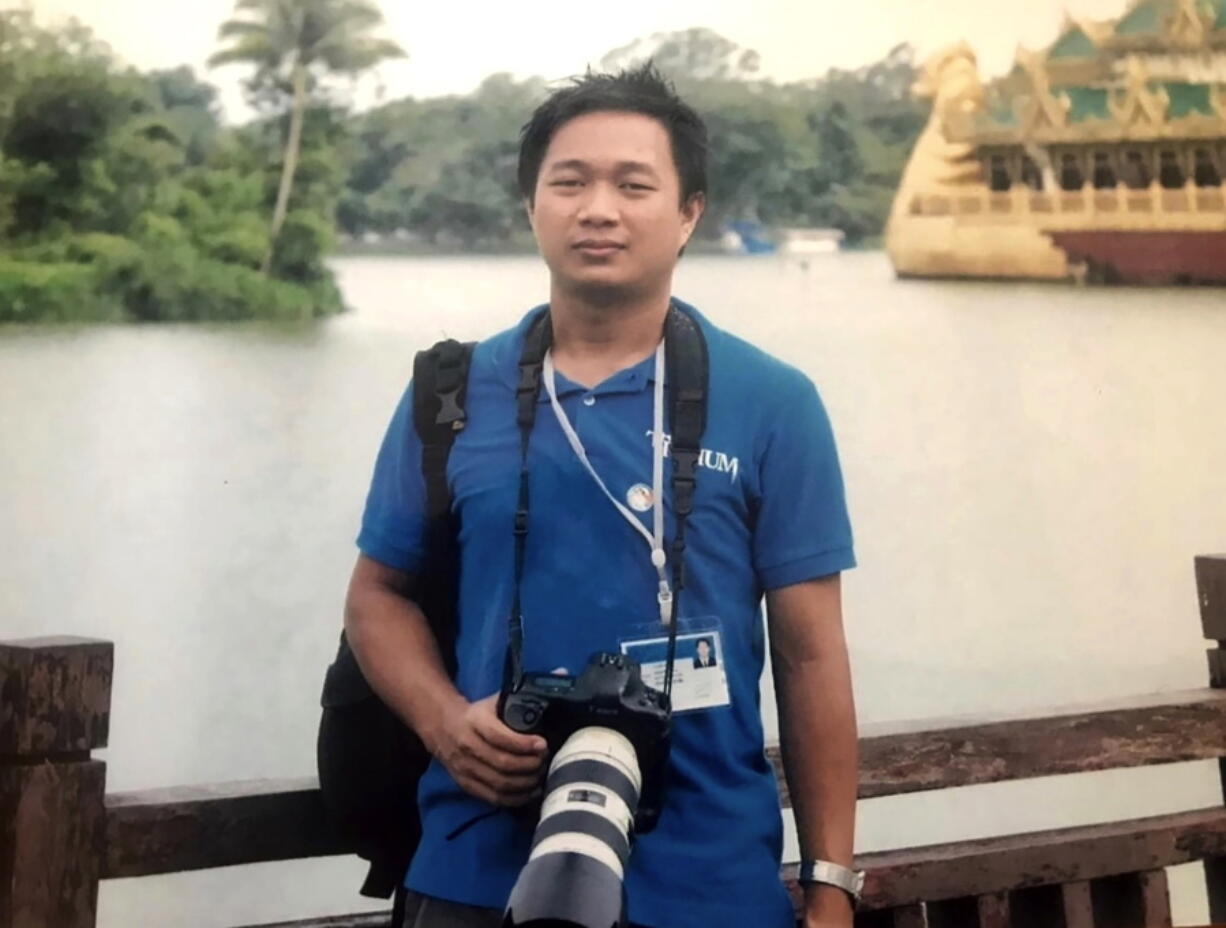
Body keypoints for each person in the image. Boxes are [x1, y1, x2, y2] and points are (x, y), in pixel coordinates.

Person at [344, 62, 859, 928]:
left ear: (689, 212)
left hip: (708, 882)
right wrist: (445, 724)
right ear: (531, 204)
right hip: (475, 869)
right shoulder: (452, 393)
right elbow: (376, 596)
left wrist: (830, 884)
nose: (598, 209)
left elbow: (812, 657)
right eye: (569, 182)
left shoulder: (771, 401)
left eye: (634, 184)